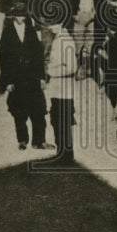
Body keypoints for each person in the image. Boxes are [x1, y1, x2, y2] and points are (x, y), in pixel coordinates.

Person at [0, 2, 52, 151]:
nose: (21, 18)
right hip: (16, 77)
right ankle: (22, 140)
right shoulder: (7, 32)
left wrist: (41, 78)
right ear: (13, 16)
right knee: (19, 112)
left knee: (38, 110)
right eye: (18, 15)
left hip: (32, 77)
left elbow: (38, 55)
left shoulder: (31, 30)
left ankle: (39, 141)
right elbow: (3, 58)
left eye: (23, 15)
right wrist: (7, 82)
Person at [45, 26, 78, 163]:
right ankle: (61, 153)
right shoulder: (57, 38)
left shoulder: (66, 40)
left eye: (52, 23)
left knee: (63, 123)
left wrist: (52, 72)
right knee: (57, 121)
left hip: (64, 91)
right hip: (57, 90)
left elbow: (71, 67)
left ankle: (66, 156)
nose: (49, 26)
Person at [67, 0, 103, 78]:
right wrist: (74, 16)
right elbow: (70, 5)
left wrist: (95, 13)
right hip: (79, 18)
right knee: (78, 45)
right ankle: (79, 68)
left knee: (89, 44)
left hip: (91, 18)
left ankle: (87, 69)